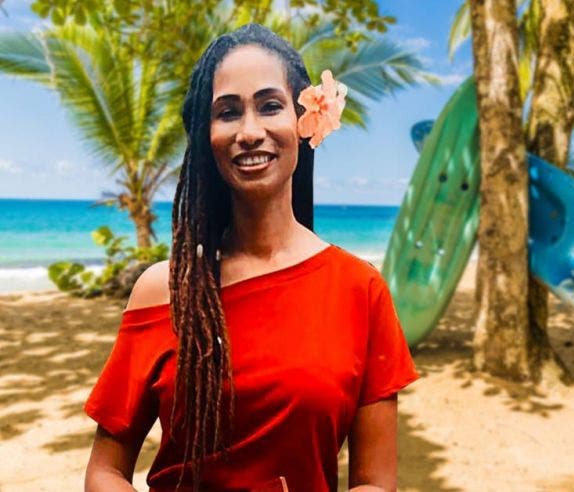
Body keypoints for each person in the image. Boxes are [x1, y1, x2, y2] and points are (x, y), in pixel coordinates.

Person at [83, 23, 418, 492]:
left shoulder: (359, 290)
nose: (249, 131)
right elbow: (105, 471)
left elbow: (376, 482)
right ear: (208, 136)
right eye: (227, 112)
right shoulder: (165, 291)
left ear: (306, 122)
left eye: (270, 106)